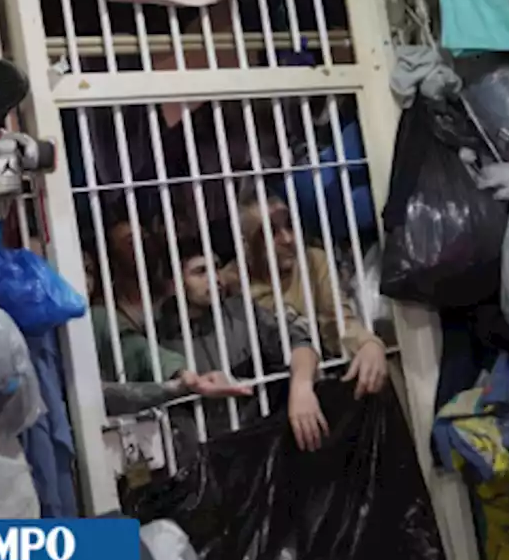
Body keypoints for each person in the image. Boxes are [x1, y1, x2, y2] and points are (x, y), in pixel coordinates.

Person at [89, 212, 250, 457]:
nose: (214, 279)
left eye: (143, 237)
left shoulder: (241, 313)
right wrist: (183, 379)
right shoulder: (138, 324)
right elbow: (140, 355)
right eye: (129, 241)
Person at [156, 234, 325, 450]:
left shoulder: (242, 312)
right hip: (203, 456)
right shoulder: (158, 337)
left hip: (261, 444)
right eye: (200, 272)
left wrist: (302, 387)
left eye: (216, 268)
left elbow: (299, 342)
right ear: (173, 284)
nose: (215, 278)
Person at [231, 188, 388, 402]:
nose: (287, 239)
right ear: (247, 244)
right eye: (271, 232)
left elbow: (338, 322)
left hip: (319, 383)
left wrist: (368, 343)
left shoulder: (312, 262)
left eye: (290, 226)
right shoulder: (233, 282)